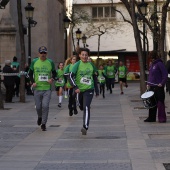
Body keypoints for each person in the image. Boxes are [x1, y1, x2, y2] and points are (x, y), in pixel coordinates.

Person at [69, 48, 99, 135]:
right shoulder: (77, 64)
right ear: (79, 55)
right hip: (79, 90)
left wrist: (97, 90)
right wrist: (75, 87)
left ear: (88, 56)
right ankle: (81, 106)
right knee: (81, 106)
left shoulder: (91, 65)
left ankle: (85, 127)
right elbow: (70, 76)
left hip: (89, 89)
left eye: (86, 55)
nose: (84, 56)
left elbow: (95, 77)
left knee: (86, 107)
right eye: (83, 55)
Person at [29, 46, 56, 131]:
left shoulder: (50, 62)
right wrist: (32, 81)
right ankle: (40, 117)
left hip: (47, 88)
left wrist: (52, 79)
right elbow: (30, 73)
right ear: (39, 53)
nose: (43, 54)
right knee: (38, 107)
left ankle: (44, 123)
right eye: (41, 53)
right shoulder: (34, 62)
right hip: (37, 88)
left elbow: (55, 73)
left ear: (46, 53)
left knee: (45, 106)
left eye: (44, 53)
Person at [144, 51, 168, 123]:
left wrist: (162, 83)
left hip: (158, 87)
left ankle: (162, 118)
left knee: (160, 103)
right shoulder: (152, 64)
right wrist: (148, 83)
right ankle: (151, 118)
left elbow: (165, 74)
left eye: (151, 57)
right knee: (152, 103)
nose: (150, 58)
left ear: (153, 56)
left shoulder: (159, 64)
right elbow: (150, 76)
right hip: (151, 86)